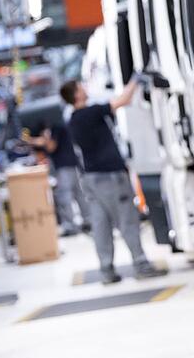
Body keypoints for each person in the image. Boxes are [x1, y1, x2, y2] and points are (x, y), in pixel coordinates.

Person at [60, 77, 164, 284]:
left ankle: (107, 271)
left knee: (101, 225)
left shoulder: (73, 120)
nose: (85, 88)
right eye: (81, 87)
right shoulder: (91, 112)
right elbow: (124, 100)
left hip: (90, 179)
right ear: (76, 95)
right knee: (127, 220)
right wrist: (135, 79)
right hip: (110, 177)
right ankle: (141, 265)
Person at [24, 123, 90, 236]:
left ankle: (70, 226)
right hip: (72, 166)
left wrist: (31, 140)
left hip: (65, 168)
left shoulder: (56, 129)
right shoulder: (58, 129)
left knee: (65, 196)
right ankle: (88, 220)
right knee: (79, 194)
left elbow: (51, 146)